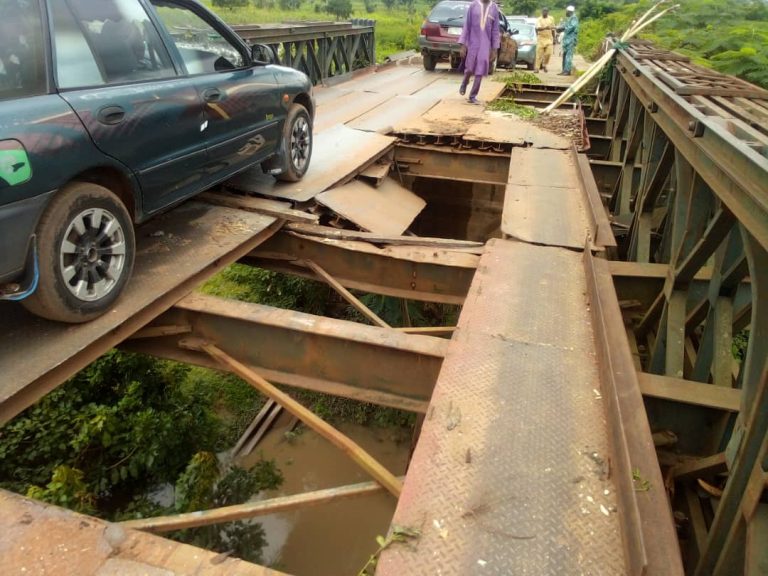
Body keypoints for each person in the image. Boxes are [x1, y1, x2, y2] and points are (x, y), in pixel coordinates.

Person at [458, 0, 500, 105]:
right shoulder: (473, 5)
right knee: (469, 68)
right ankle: (465, 82)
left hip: (486, 44)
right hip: (473, 42)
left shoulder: (494, 8)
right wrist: (463, 45)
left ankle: (473, 95)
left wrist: (494, 49)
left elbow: (495, 30)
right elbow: (466, 26)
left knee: (480, 70)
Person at [557, 5, 579, 76]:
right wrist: (559, 28)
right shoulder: (569, 18)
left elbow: (571, 27)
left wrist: (563, 29)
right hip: (567, 40)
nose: (565, 12)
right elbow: (565, 25)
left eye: (566, 11)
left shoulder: (574, 18)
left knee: (568, 56)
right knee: (565, 55)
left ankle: (567, 70)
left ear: (569, 12)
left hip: (571, 40)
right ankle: (564, 70)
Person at [534, 7, 555, 73]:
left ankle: (544, 65)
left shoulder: (551, 19)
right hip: (541, 38)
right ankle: (537, 68)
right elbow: (538, 28)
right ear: (542, 12)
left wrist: (554, 38)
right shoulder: (539, 19)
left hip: (549, 38)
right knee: (539, 54)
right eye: (543, 11)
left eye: (546, 11)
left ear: (548, 12)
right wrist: (545, 28)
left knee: (548, 53)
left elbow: (553, 29)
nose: (544, 12)